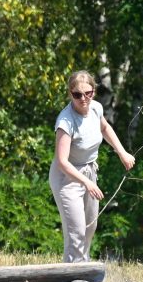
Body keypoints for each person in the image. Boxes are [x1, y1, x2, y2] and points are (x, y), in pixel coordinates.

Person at [49, 70, 136, 263]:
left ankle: (81, 269)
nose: (83, 99)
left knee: (89, 227)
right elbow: (62, 161)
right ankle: (73, 276)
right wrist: (87, 183)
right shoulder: (66, 121)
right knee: (77, 231)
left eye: (87, 93)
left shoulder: (96, 108)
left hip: (89, 172)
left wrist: (122, 152)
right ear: (70, 94)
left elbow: (105, 128)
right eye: (77, 95)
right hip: (67, 177)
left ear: (93, 92)